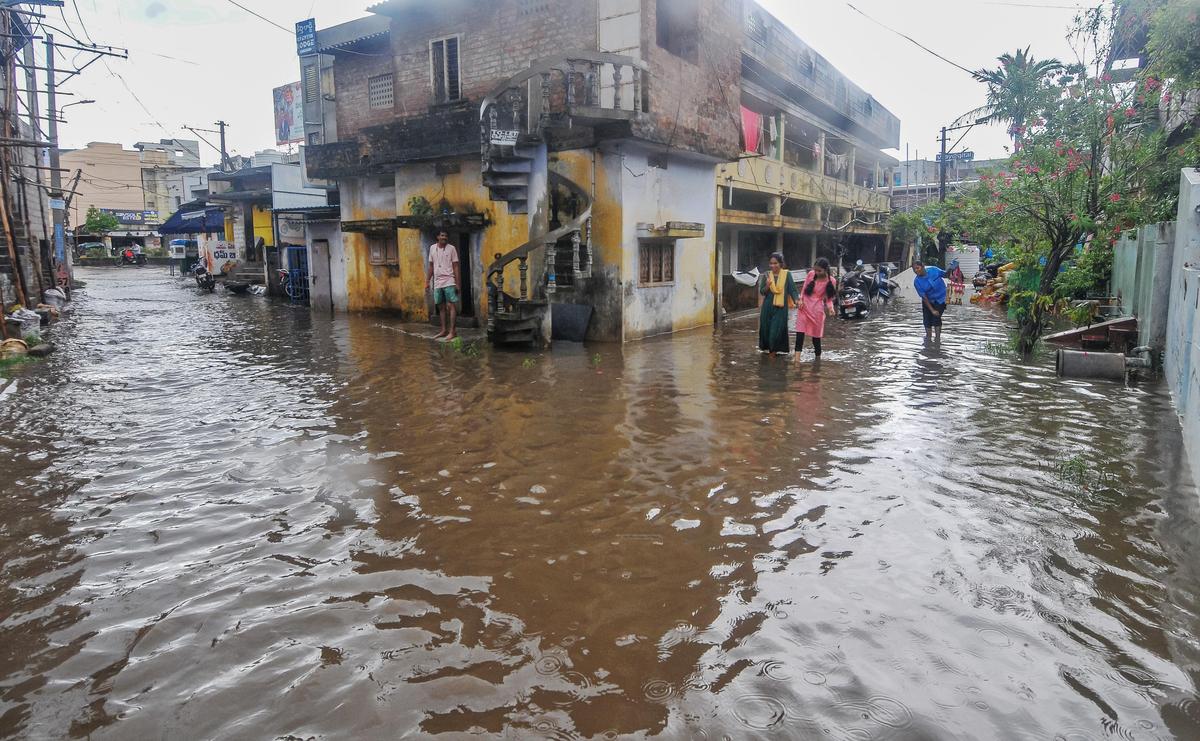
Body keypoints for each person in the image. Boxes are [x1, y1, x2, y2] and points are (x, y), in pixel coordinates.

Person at [795, 257, 837, 361]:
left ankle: (818, 358)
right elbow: (804, 289)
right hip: (804, 307)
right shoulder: (811, 274)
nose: (816, 272)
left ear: (825, 269)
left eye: (819, 270)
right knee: (799, 333)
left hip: (817, 310)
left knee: (816, 338)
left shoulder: (831, 281)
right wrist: (800, 300)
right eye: (815, 270)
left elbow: (829, 299)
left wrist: (831, 308)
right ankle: (796, 359)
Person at [758, 252, 798, 356]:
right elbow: (762, 292)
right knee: (767, 331)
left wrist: (797, 301)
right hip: (767, 308)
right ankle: (772, 357)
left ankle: (772, 359)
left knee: (774, 333)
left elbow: (792, 290)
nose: (773, 266)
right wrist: (767, 286)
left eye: (775, 263)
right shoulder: (767, 275)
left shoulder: (786, 275)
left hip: (780, 309)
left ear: (781, 263)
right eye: (771, 263)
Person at [426, 230, 461, 341]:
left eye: (446, 235)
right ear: (437, 237)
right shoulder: (432, 248)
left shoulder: (452, 248)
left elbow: (455, 266)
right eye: (442, 235)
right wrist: (427, 281)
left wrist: (457, 283)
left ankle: (452, 331)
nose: (444, 237)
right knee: (441, 307)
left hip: (449, 280)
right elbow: (431, 266)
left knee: (451, 306)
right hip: (437, 282)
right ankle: (444, 330)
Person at [912, 259, 948, 340]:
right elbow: (924, 297)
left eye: (917, 268)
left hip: (941, 298)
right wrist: (932, 310)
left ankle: (937, 339)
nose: (916, 270)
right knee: (927, 320)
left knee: (936, 318)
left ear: (923, 266)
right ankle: (928, 339)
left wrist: (951, 269)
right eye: (914, 269)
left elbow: (945, 274)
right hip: (928, 300)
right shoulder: (917, 281)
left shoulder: (934, 270)